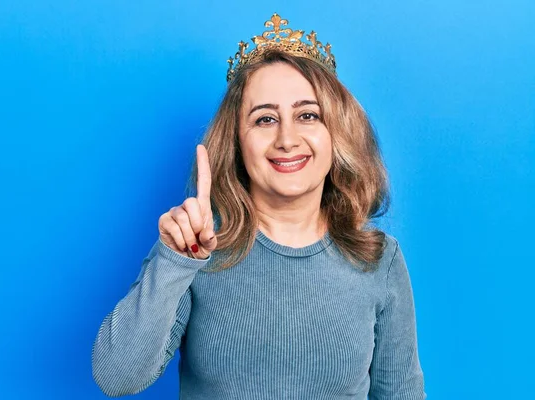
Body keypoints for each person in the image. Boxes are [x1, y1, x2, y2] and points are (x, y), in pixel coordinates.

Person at [91, 13, 426, 400]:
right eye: (265, 119)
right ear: (237, 140)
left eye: (308, 115)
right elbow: (116, 378)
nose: (287, 138)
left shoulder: (379, 260)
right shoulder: (197, 250)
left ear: (337, 133)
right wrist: (174, 261)